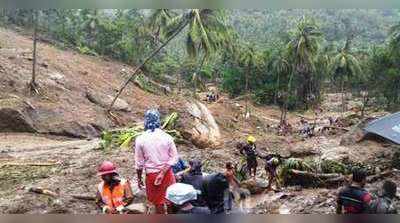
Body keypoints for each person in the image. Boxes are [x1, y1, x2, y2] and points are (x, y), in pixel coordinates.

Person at [134, 109, 179, 214]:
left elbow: (139, 163)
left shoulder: (140, 139)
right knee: (170, 200)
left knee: (158, 202)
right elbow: (174, 158)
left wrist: (139, 178)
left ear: (145, 121)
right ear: (159, 121)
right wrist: (163, 172)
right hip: (167, 173)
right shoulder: (167, 137)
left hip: (152, 175)